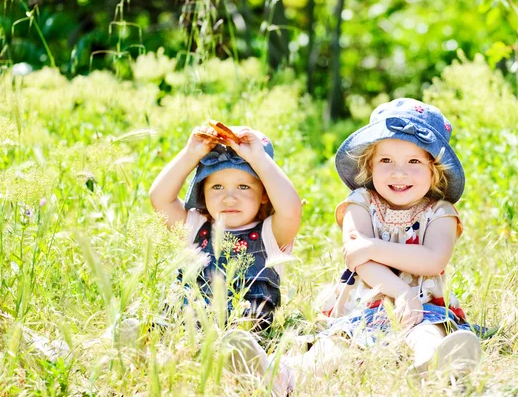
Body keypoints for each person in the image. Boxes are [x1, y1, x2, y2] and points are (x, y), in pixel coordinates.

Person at [223, 99, 485, 393]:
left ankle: (433, 367)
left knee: (427, 331)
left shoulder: (439, 212)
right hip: (362, 304)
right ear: (369, 165)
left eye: (414, 162)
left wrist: (371, 247)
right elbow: (355, 257)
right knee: (335, 346)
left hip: (421, 304)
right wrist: (399, 291)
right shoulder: (360, 202)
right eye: (386, 161)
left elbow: (433, 259)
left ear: (434, 170)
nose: (399, 173)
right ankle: (279, 374)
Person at [149, 124, 302, 329]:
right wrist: (190, 155)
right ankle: (139, 339)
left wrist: (260, 160)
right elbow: (160, 199)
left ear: (265, 194)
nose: (229, 199)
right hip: (188, 327)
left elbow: (291, 211)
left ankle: (242, 352)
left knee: (243, 333)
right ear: (203, 193)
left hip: (244, 330)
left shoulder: (270, 235)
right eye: (217, 187)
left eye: (244, 186)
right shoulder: (195, 226)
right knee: (167, 319)